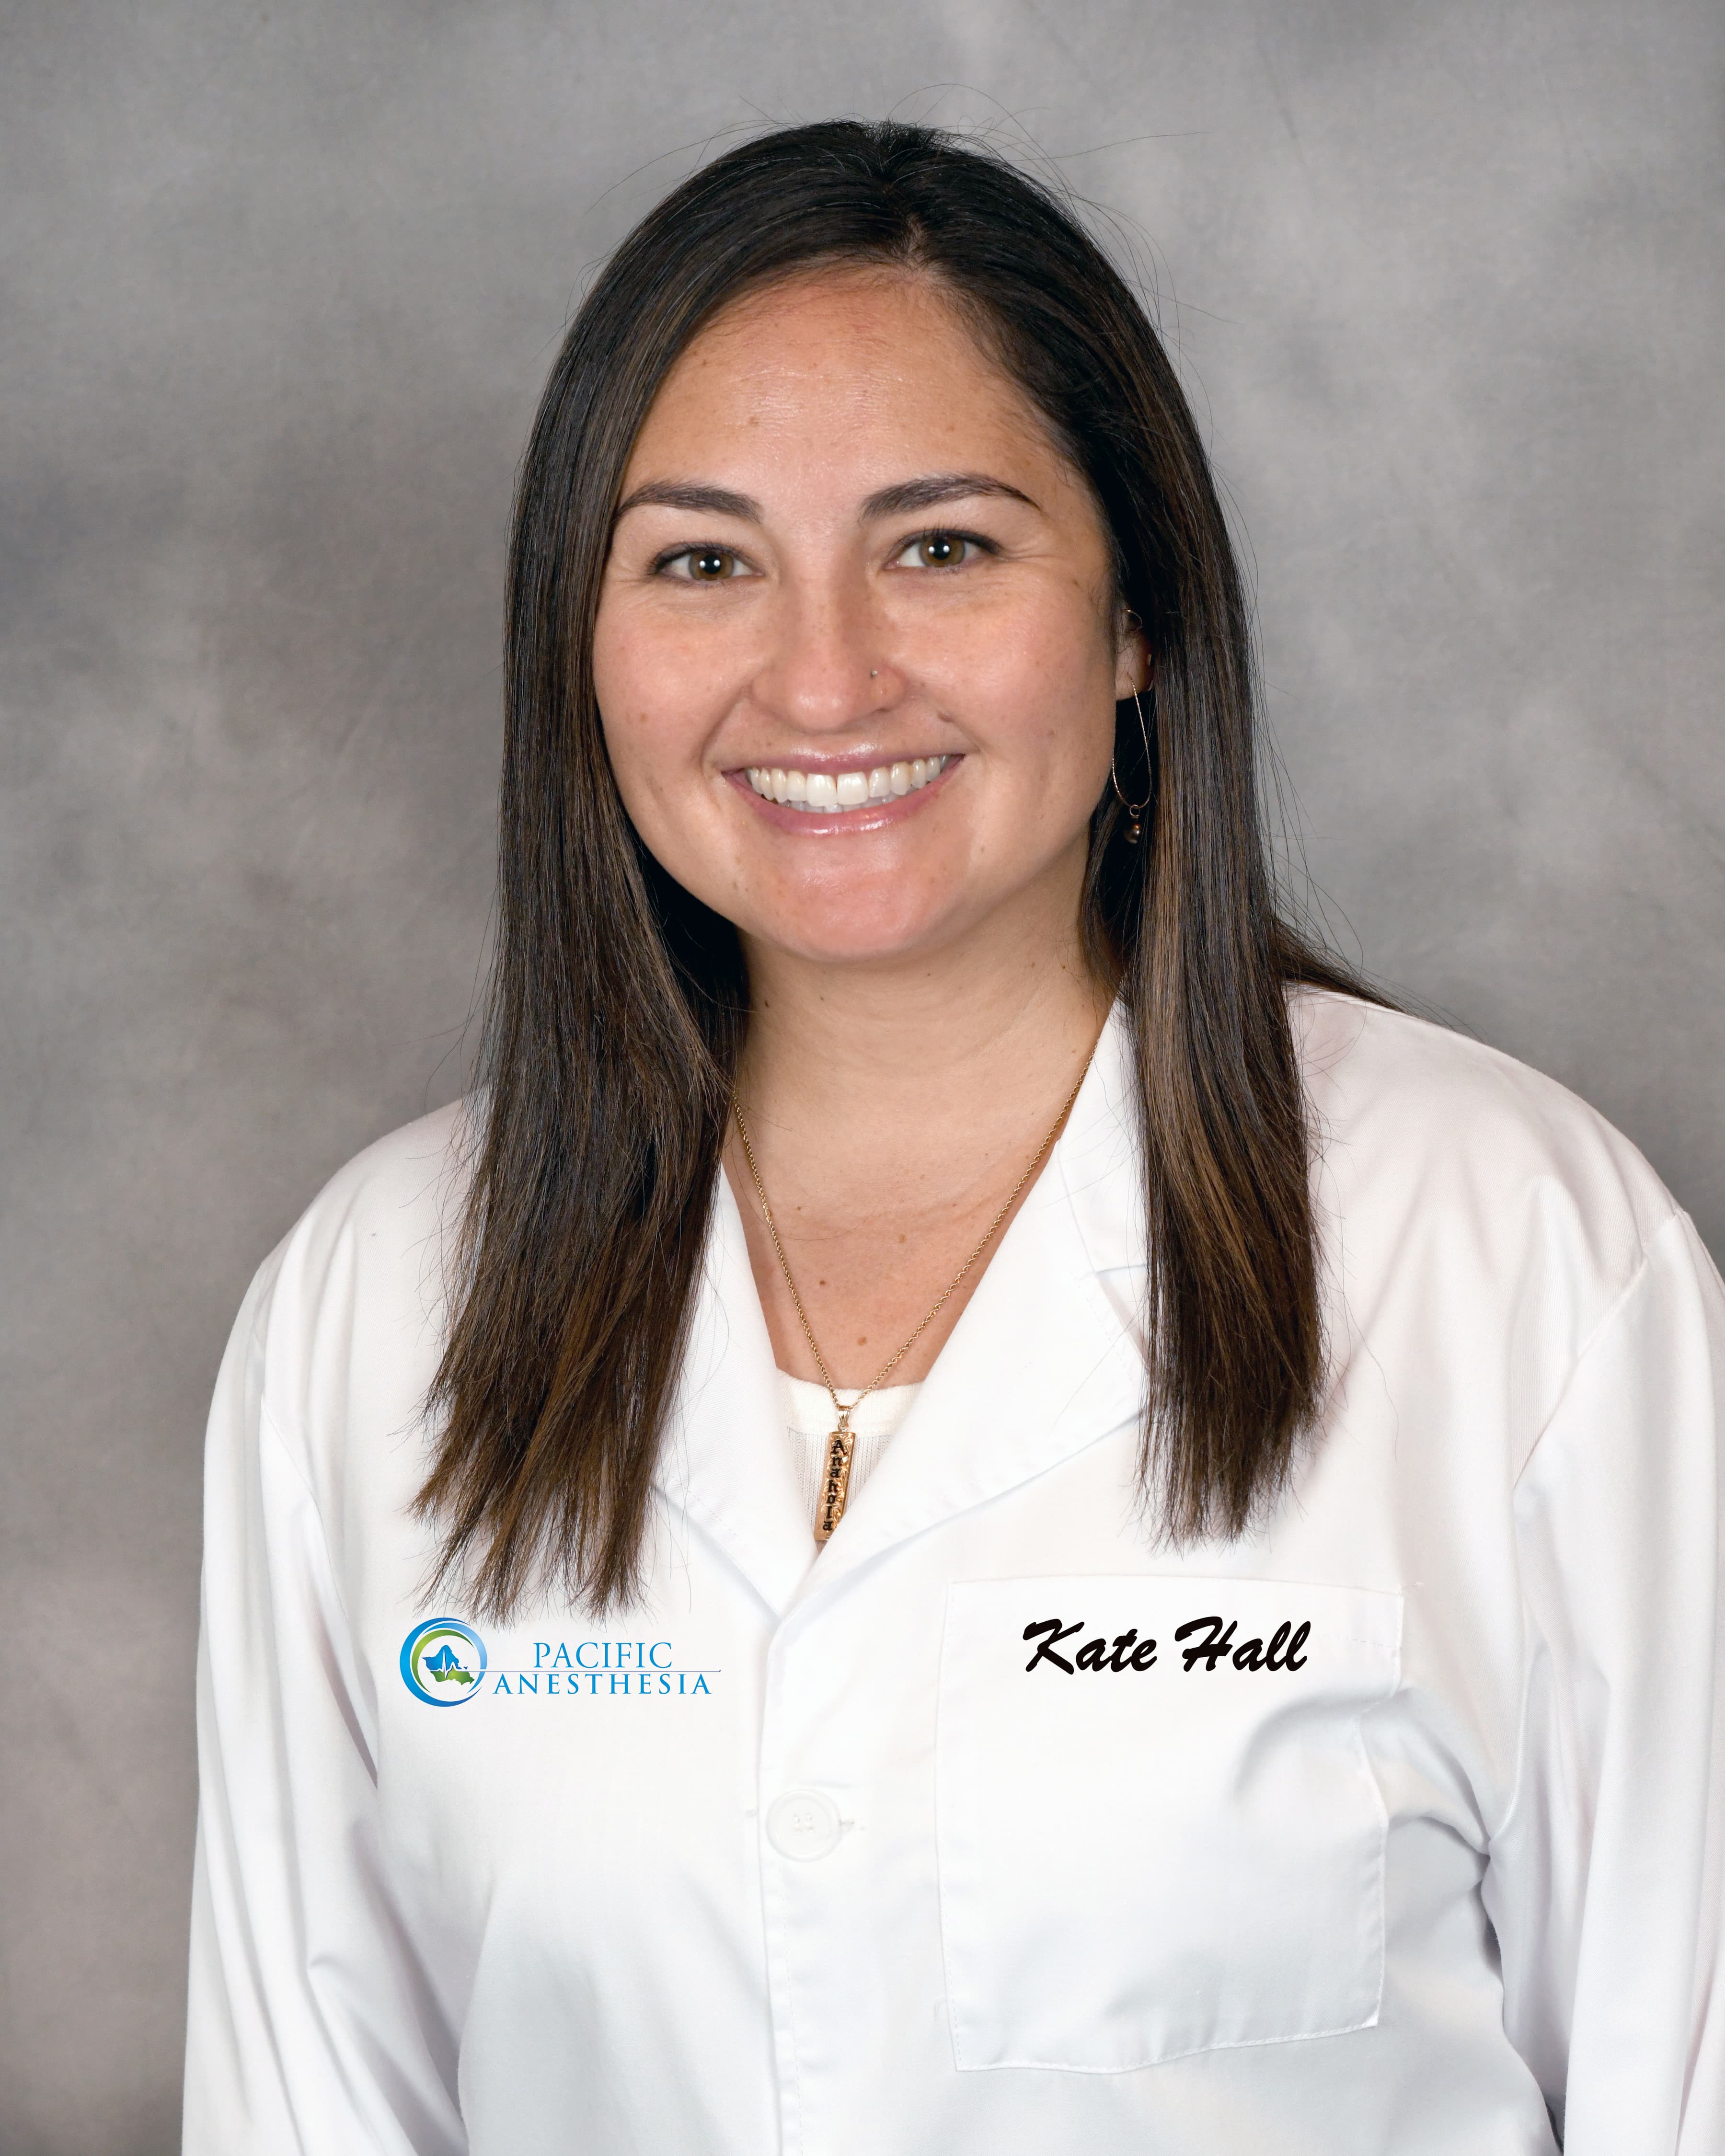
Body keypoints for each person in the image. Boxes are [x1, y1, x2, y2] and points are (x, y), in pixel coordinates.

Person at [182, 120, 1723, 2155]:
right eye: (703, 562)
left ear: (1136, 615)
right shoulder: (376, 1307)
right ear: (583, 644)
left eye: (944, 548)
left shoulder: (1516, 1254)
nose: (824, 680)